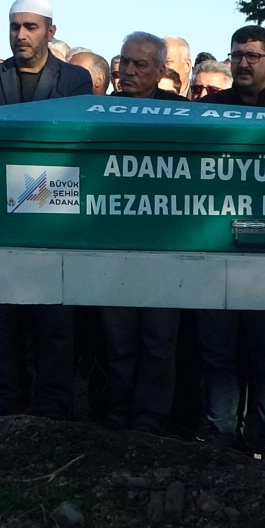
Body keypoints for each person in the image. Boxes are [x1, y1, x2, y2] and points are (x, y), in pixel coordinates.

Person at [0, 0, 93, 417]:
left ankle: (53, 408)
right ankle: (3, 406)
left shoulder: (73, 78)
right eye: (15, 26)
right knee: (1, 319)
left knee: (55, 319)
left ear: (50, 32)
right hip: (0, 212)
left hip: (54, 210)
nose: (21, 35)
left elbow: (69, 139)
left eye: (31, 27)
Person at [196, 25, 265, 458]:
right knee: (219, 358)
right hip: (217, 255)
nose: (243, 63)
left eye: (253, 56)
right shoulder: (208, 113)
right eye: (237, 55)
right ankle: (223, 439)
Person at [96, 33, 183, 432]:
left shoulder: (184, 115)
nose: (128, 71)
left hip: (165, 246)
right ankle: (116, 412)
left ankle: (151, 418)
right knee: (117, 338)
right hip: (110, 242)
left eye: (140, 65)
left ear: (162, 72)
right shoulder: (97, 110)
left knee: (159, 339)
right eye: (124, 62)